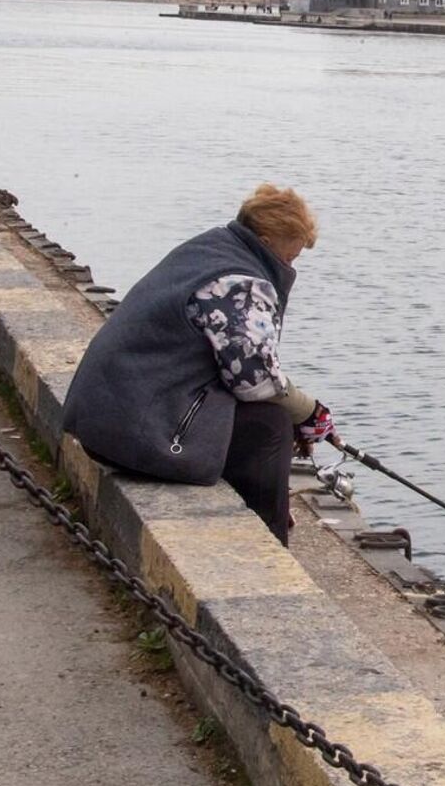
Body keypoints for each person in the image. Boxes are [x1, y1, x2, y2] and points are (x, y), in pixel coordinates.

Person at [61, 185, 339, 543]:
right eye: (291, 258)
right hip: (134, 436)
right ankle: (267, 538)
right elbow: (256, 381)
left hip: (103, 421)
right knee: (270, 426)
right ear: (268, 242)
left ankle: (258, 512)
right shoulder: (240, 283)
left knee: (256, 412)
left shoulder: (208, 249)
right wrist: (311, 413)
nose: (290, 267)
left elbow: (236, 367)